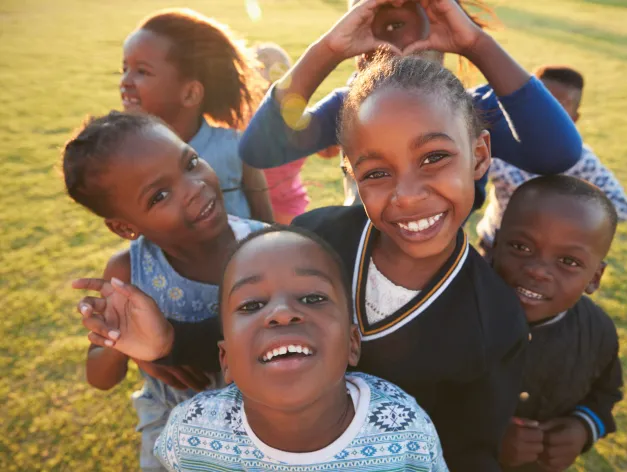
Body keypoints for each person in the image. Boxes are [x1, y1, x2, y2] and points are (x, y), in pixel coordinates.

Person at [75, 56, 529, 471]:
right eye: (376, 172)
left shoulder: (497, 321)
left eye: (434, 158)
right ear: (352, 175)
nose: (407, 194)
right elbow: (248, 330)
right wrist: (167, 341)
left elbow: (471, 449)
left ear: (480, 156)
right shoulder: (317, 237)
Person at [152, 226, 448, 471]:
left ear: (351, 344)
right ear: (225, 360)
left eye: (312, 298)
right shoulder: (190, 434)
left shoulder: (406, 432)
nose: (282, 312)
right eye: (252, 304)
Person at [238, 0, 583, 209]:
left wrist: (477, 44)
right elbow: (259, 149)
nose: (394, 29)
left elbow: (558, 153)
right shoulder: (350, 109)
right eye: (378, 15)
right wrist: (328, 49)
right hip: (359, 269)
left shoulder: (473, 111)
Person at [64, 112, 265, 471]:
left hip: (265, 420)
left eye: (190, 163)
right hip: (173, 429)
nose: (194, 187)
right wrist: (117, 342)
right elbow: (101, 378)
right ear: (125, 226)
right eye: (159, 195)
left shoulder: (267, 247)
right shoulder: (128, 274)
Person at [492, 175, 624, 471]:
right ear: (496, 243)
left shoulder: (598, 332)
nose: (538, 271)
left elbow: (606, 393)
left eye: (568, 261)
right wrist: (482, 436)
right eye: (521, 247)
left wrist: (582, 429)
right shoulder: (454, 316)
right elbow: (414, 395)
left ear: (594, 278)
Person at [121, 8, 273, 221]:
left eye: (142, 71)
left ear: (190, 93)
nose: (125, 81)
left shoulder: (236, 147)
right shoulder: (127, 156)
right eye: (125, 68)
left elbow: (267, 222)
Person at [476, 64, 627, 261]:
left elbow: (622, 207)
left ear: (574, 119)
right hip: (494, 245)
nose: (547, 113)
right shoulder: (497, 144)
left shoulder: (582, 162)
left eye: (559, 106)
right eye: (542, 102)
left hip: (549, 259)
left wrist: (564, 215)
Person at [253, 43, 311, 224]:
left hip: (285, 207)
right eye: (264, 66)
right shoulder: (241, 117)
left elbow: (329, 150)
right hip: (258, 205)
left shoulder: (297, 115)